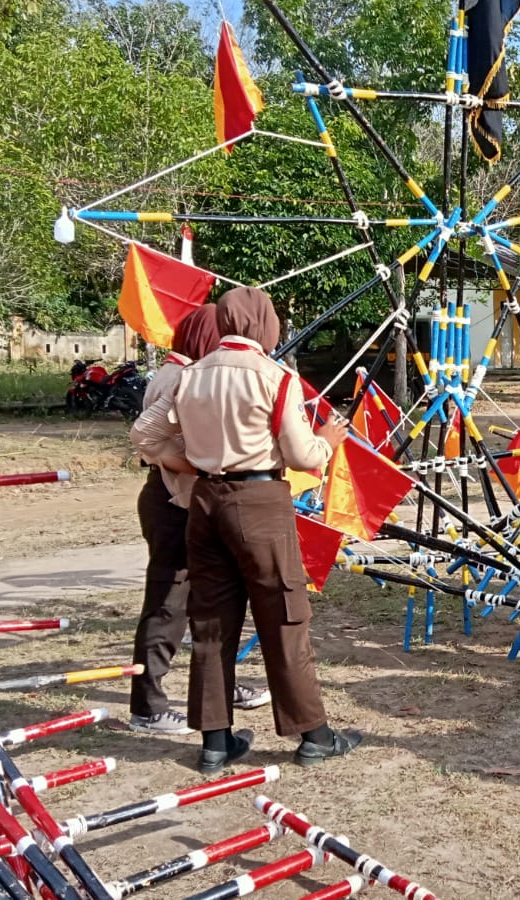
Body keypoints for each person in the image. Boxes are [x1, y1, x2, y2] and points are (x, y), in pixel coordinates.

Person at [132, 287, 359, 773]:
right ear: (265, 325)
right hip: (259, 501)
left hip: (205, 503)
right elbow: (300, 455)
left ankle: (216, 741)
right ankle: (313, 732)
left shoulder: (189, 375)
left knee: (211, 620)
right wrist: (326, 442)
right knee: (283, 615)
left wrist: (191, 463)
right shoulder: (275, 377)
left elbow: (144, 435)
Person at [129, 305, 271, 735]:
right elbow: (147, 443)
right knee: (168, 604)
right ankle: (148, 706)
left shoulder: (190, 372)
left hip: (195, 502)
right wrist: (209, 466)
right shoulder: (178, 377)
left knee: (210, 601)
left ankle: (216, 687)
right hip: (174, 502)